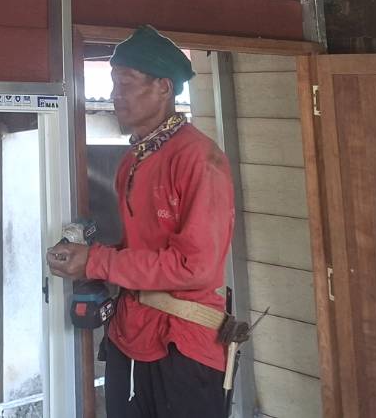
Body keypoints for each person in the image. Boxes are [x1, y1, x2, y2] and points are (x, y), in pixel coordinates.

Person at [46, 26, 235, 417]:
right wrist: (89, 257)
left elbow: (194, 267)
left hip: (183, 344)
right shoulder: (133, 159)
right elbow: (140, 249)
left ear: (164, 87)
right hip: (130, 334)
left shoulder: (200, 160)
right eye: (114, 83)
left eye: (126, 83)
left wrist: (97, 262)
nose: (115, 94)